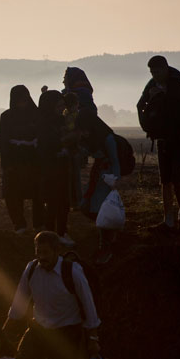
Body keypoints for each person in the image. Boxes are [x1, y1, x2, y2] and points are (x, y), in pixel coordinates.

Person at [4, 231, 101, 359]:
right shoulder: (31, 270)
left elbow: (88, 304)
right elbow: (19, 304)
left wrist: (93, 338)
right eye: (38, 252)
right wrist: (3, 333)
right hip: (39, 330)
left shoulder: (72, 272)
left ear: (57, 251)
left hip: (67, 333)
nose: (42, 257)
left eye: (46, 252)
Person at [136, 55, 180, 231]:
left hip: (179, 140)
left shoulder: (179, 85)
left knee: (177, 179)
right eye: (151, 72)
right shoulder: (152, 86)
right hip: (162, 139)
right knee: (165, 181)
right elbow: (140, 106)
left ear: (165, 68)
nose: (154, 75)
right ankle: (168, 219)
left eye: (156, 71)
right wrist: (149, 128)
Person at [76, 112, 121, 264]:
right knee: (88, 207)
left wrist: (115, 179)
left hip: (106, 179)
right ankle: (107, 240)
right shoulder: (91, 139)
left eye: (84, 130)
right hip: (98, 176)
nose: (83, 133)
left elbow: (115, 161)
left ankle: (107, 245)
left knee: (101, 210)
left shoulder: (107, 138)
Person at [0, 86, 42, 233]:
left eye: (24, 100)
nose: (22, 104)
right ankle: (19, 223)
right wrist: (6, 164)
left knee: (38, 193)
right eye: (19, 101)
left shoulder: (37, 115)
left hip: (34, 160)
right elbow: (3, 141)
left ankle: (39, 223)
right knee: (13, 193)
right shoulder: (6, 117)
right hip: (14, 160)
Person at [36, 91, 74, 246]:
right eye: (58, 105)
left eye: (62, 105)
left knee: (63, 201)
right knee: (51, 201)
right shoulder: (42, 124)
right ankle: (52, 234)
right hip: (49, 169)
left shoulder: (61, 121)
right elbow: (44, 147)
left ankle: (61, 232)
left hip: (62, 167)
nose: (61, 108)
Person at [61, 67, 96, 210]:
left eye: (65, 78)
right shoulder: (78, 94)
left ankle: (76, 201)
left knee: (73, 173)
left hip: (77, 141)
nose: (63, 81)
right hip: (73, 140)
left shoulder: (80, 95)